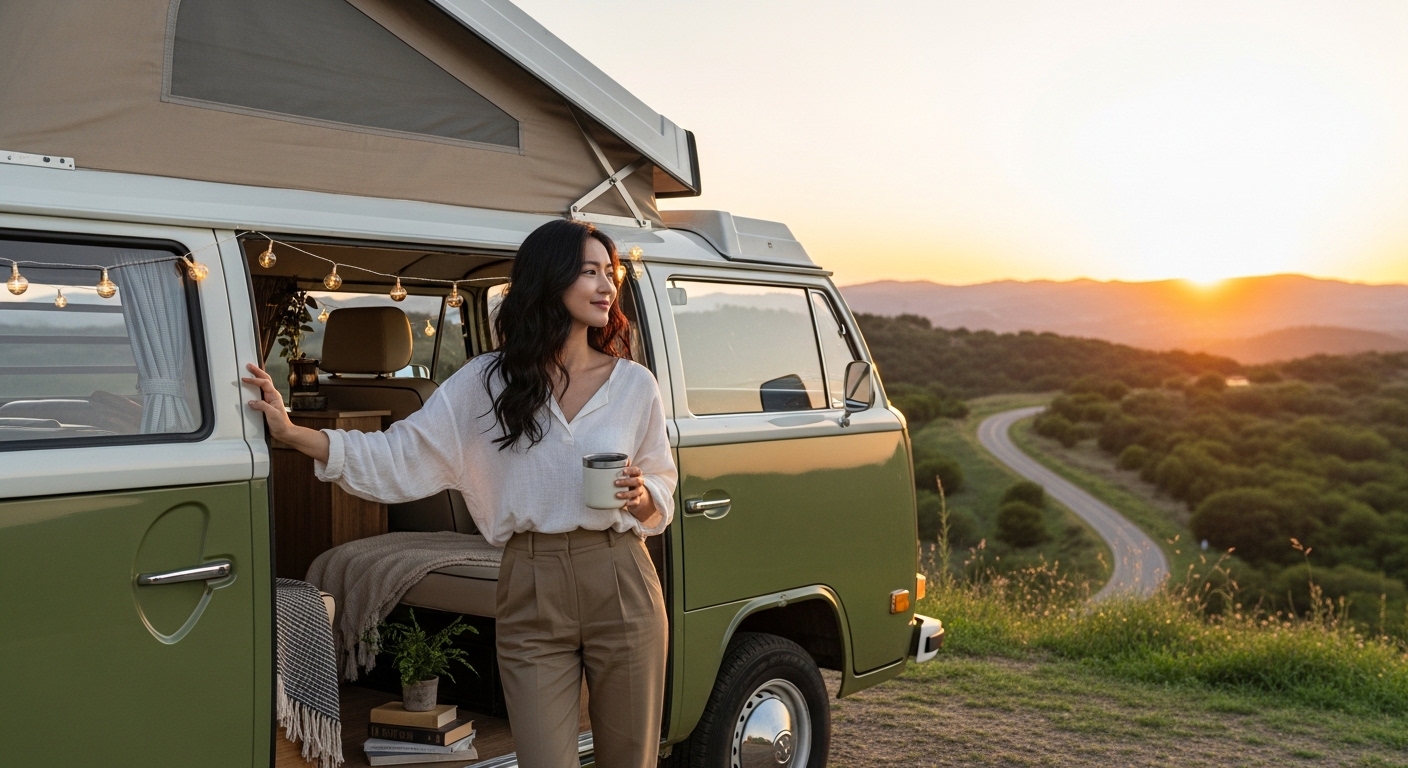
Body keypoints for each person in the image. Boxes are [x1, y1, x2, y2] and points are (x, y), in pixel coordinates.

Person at [243, 219, 675, 768]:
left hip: (621, 579)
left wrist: (642, 497)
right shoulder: (486, 382)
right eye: (589, 272)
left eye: (609, 274)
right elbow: (401, 452)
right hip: (529, 580)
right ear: (551, 278)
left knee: (631, 761)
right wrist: (293, 434)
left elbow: (662, 478)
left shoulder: (635, 384)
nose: (607, 287)